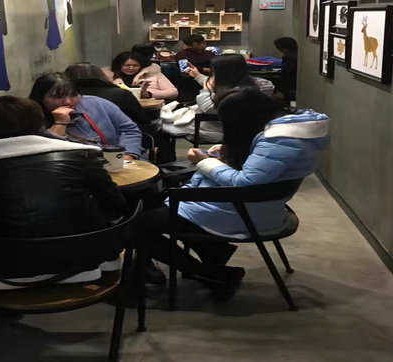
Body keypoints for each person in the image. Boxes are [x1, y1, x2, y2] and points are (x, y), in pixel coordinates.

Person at [138, 89, 329, 299]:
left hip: (243, 211)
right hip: (257, 206)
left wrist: (204, 162)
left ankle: (215, 274)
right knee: (151, 209)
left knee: (137, 227)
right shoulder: (291, 131)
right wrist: (228, 154)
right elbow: (261, 168)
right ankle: (212, 251)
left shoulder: (280, 141)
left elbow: (244, 182)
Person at [0, 96, 126, 289]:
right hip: (84, 257)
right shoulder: (81, 155)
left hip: (0, 266)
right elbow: (113, 204)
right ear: (39, 121)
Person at [157, 54, 275, 163]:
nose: (212, 75)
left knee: (161, 127)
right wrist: (198, 76)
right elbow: (217, 85)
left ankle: (166, 163)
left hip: (223, 128)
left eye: (214, 72)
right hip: (231, 126)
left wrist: (205, 89)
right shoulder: (256, 84)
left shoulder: (238, 95)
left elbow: (208, 108)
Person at [30, 72, 143, 160]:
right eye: (58, 96)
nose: (68, 101)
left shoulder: (96, 103)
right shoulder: (32, 118)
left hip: (119, 160)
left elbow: (129, 129)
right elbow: (47, 154)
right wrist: (60, 123)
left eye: (74, 95)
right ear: (41, 97)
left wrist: (129, 154)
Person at [64, 62, 150, 126]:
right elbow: (143, 120)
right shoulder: (122, 94)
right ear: (101, 75)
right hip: (120, 139)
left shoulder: (64, 96)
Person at [108, 51, 178, 101]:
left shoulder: (153, 73)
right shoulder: (110, 77)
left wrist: (149, 94)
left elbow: (173, 92)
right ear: (119, 65)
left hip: (151, 108)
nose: (131, 68)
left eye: (136, 65)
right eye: (126, 65)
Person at [273, 37, 298, 102]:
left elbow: (286, 73)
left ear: (283, 49)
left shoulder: (288, 57)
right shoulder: (301, 54)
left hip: (290, 88)